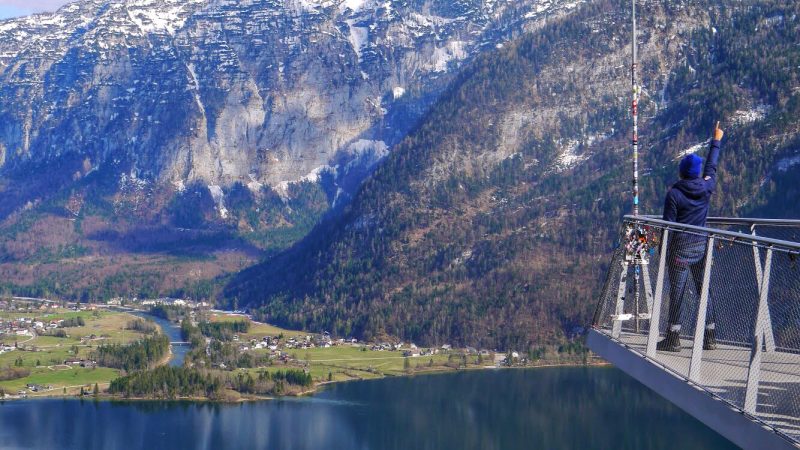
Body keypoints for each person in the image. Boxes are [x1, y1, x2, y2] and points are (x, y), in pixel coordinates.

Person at [656, 122, 724, 352]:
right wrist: (716, 140)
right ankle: (710, 336)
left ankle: (673, 338)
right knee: (703, 290)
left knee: (677, 292)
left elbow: (669, 226)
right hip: (702, 247)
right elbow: (712, 167)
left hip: (680, 251)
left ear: (681, 172)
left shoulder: (674, 194)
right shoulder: (706, 188)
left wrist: (663, 250)